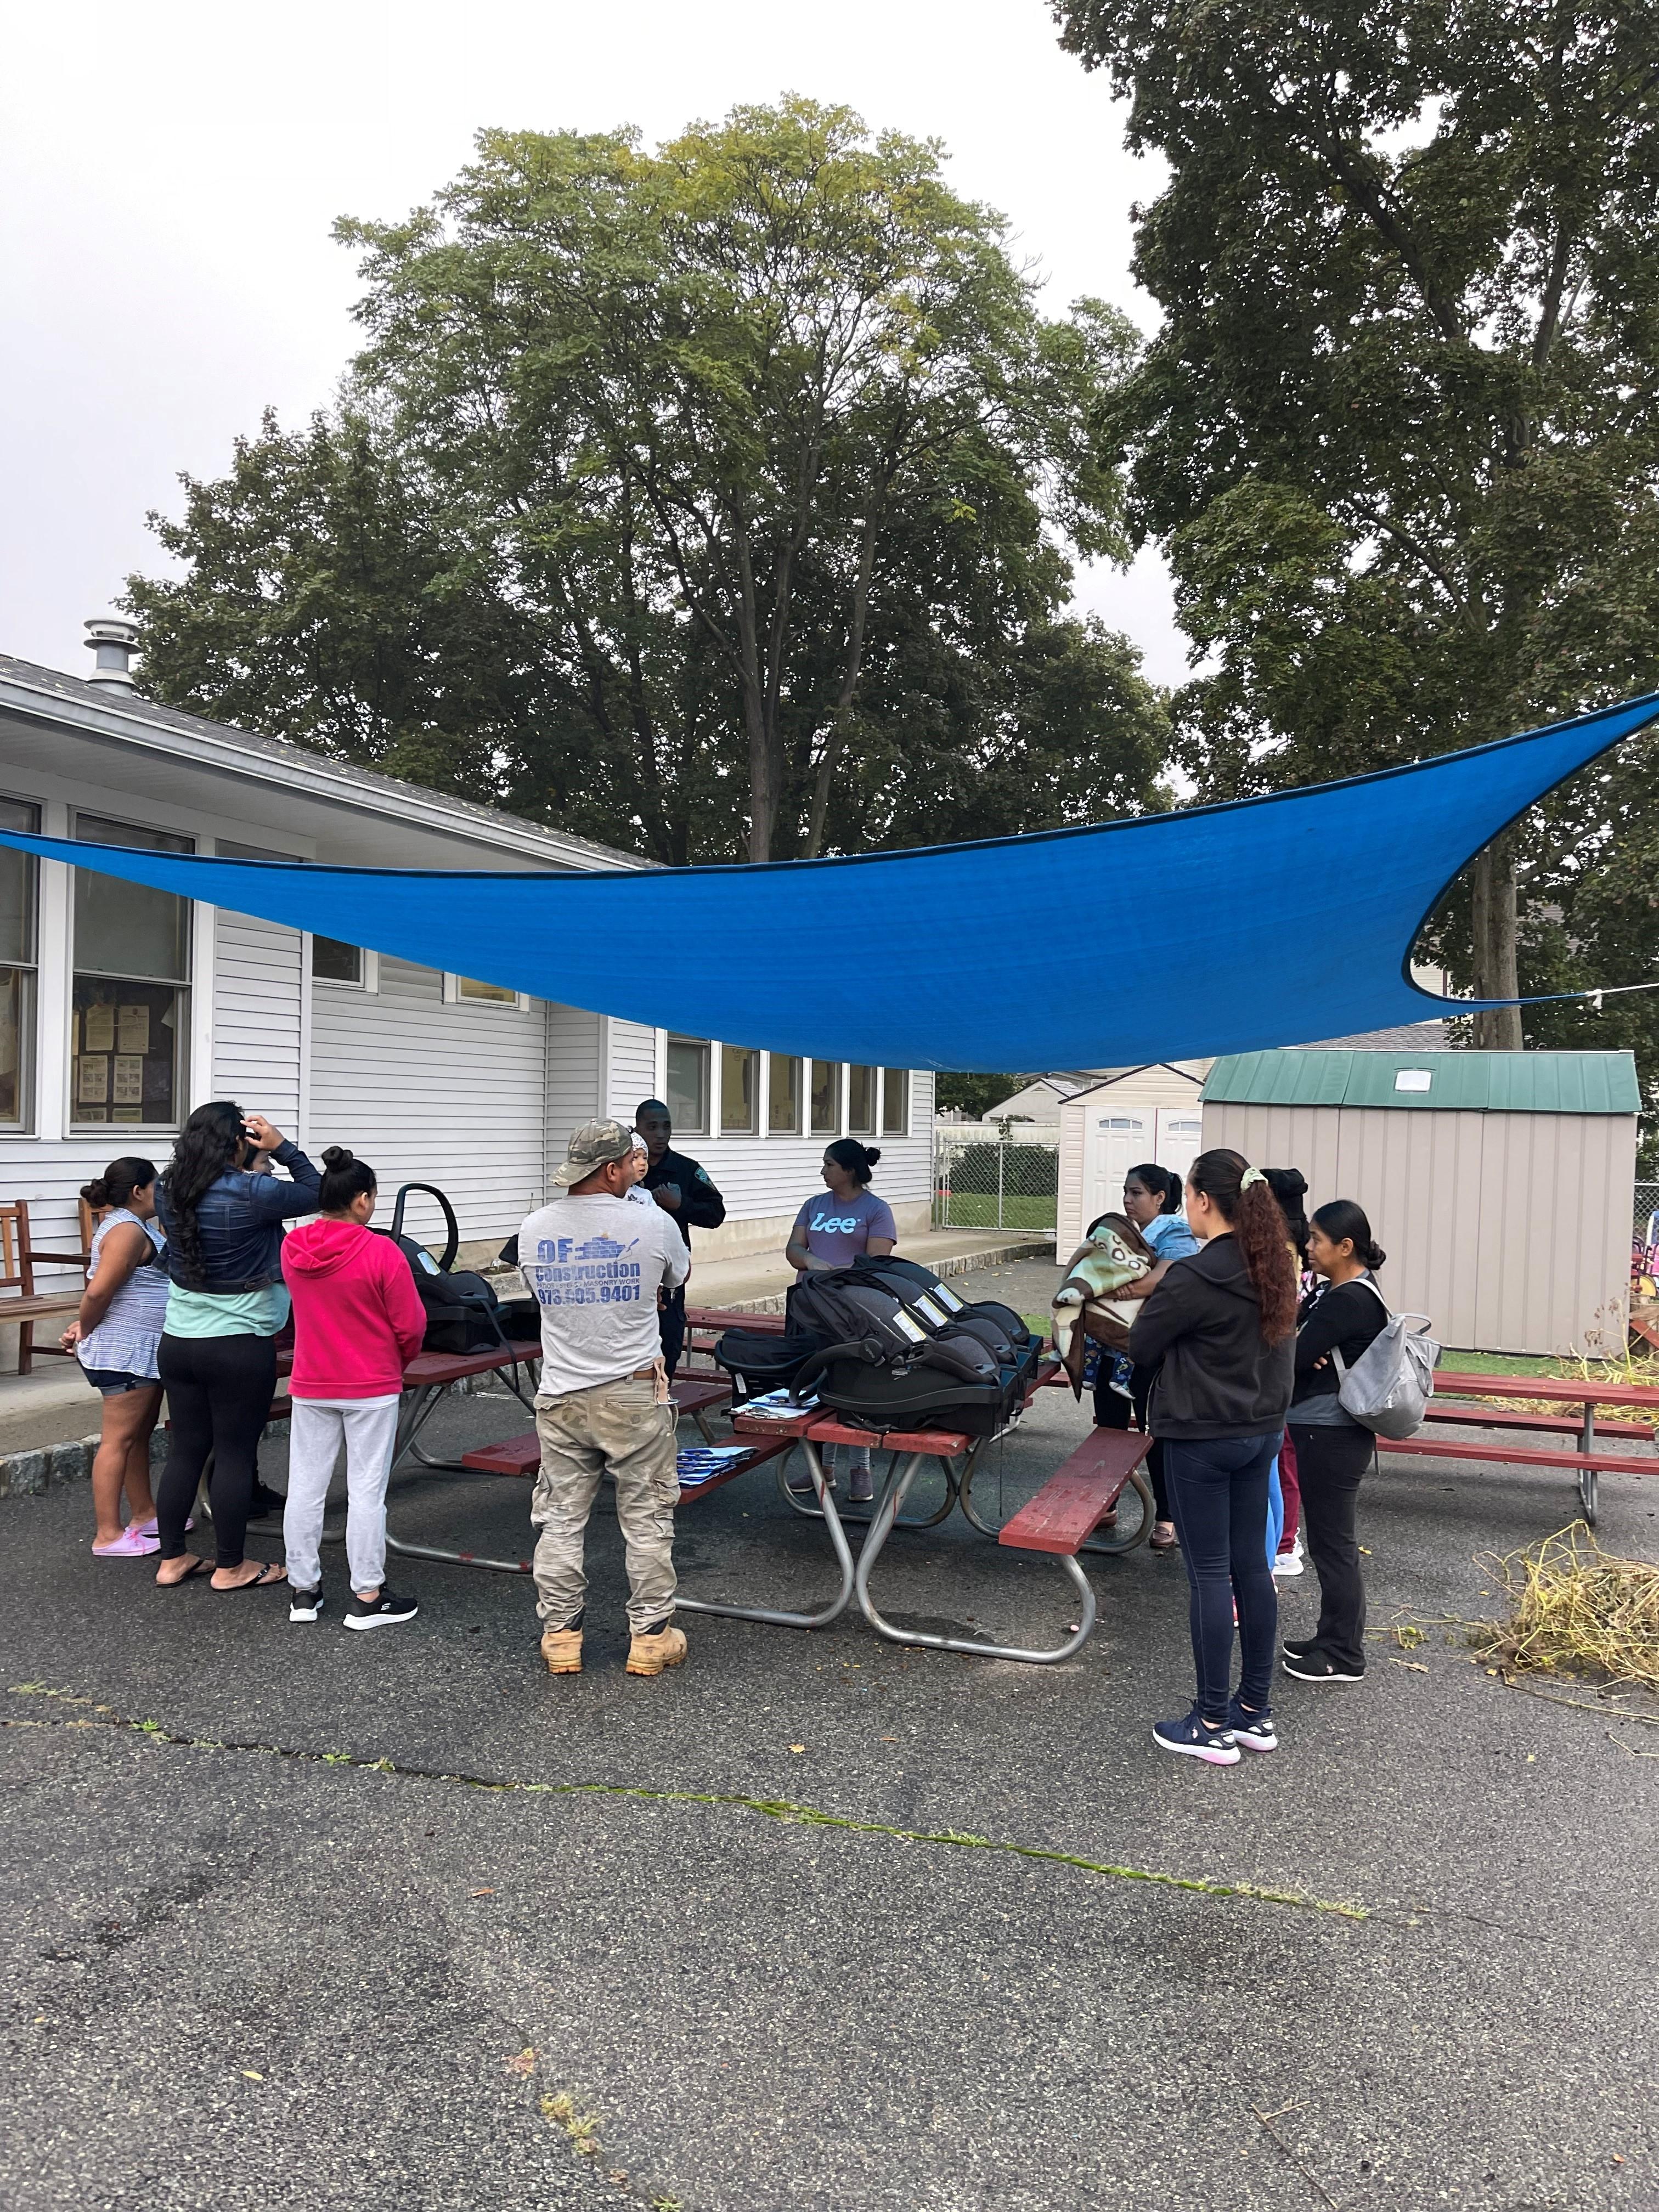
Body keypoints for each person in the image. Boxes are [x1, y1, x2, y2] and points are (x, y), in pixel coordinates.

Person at [1128, 1148, 1297, 1764]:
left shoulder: (1196, 1275)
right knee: (1252, 1566)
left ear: (1201, 1201)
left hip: (1202, 1437)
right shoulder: (1273, 1265)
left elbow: (1143, 1345)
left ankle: (1210, 1721)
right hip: (1261, 1434)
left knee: (1207, 1574)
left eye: (1192, 1196)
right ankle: (1255, 1712)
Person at [517, 1120, 691, 1678]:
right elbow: (679, 1274)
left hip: (562, 1392)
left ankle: (562, 1637)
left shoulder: (534, 1227)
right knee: (646, 1519)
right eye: (628, 1163)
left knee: (562, 1520)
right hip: (634, 1393)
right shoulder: (653, 1222)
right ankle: (650, 1637)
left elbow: (539, 1295)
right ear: (613, 1168)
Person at [151, 1103, 323, 1592]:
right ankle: (231, 1567)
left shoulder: (170, 1189)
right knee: (233, 1452)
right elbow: (315, 1193)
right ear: (236, 1143)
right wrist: (281, 1147)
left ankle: (172, 1559)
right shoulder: (253, 1192)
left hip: (179, 1341)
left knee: (186, 1450)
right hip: (239, 1342)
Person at [280, 1147, 428, 1629]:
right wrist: (396, 1360)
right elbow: (410, 1324)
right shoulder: (382, 1251)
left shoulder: (292, 1248)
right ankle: (367, 1594)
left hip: (312, 1380)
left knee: (305, 1485)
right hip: (370, 1382)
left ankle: (304, 1590)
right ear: (362, 1200)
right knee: (366, 1490)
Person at [1282, 1200, 1389, 1686]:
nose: (1308, 1247)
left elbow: (1289, 1353)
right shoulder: (1335, 1292)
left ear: (1346, 1247)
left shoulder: (1351, 1299)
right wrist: (1302, 1344)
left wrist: (1304, 1347)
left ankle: (1344, 1654)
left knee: (1333, 1545)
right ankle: (1330, 1638)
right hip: (1324, 1429)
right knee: (1329, 1542)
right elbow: (1293, 1340)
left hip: (1332, 1433)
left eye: (1317, 1240)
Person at [60, 1157, 168, 1557]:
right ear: (139, 1191)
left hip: (142, 1349)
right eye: (156, 1186)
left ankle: (145, 1514)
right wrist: (84, 1327)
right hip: (124, 1351)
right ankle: (108, 1533)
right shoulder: (125, 1230)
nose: (161, 1193)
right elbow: (99, 1292)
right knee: (118, 1440)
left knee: (139, 1435)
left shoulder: (136, 1227)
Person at [1091, 1163, 1200, 1551]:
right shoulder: (1124, 1231)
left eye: (1136, 1193)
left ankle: (1167, 1517)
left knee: (1157, 1435)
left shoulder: (1175, 1231)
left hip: (1153, 1353)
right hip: (1113, 1348)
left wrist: (1118, 1288)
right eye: (1125, 1191)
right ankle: (1105, 1507)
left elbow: (1167, 1277)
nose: (1127, 1199)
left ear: (1159, 1197)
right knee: (1109, 1430)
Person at [785, 1138, 897, 1505]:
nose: (823, 1171)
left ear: (849, 1170)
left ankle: (860, 1468)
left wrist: (838, 1274)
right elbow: (794, 1249)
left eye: (829, 1164)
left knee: (854, 1385)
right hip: (811, 1307)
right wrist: (810, 1261)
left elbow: (876, 1264)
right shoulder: (813, 1205)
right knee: (817, 1383)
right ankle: (822, 1467)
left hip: (853, 1311)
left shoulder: (876, 1210)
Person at [634, 1098, 726, 1379]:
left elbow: (715, 1214)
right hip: (627, 1273)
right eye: (652, 1127)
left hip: (668, 1278)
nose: (661, 1134)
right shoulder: (624, 1168)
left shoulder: (686, 1169)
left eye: (666, 1127)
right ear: (637, 1129)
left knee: (668, 1340)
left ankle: (664, 1398)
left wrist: (680, 1205)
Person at [1261, 1167, 1311, 1578]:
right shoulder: (1302, 1251)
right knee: (1281, 1460)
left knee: (1282, 1462)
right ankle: (1284, 1539)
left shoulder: (1282, 1256)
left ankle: (1285, 1542)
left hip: (1280, 1369)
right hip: (1287, 1369)